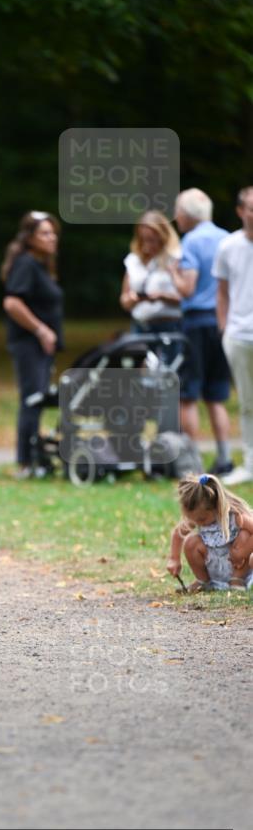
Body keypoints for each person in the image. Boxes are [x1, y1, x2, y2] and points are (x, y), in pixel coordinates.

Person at [171, 188, 232, 474]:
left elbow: (187, 288)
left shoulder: (191, 241)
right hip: (223, 322)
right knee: (216, 396)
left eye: (177, 212)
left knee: (188, 395)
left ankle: (192, 464)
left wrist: (173, 272)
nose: (175, 218)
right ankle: (225, 458)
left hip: (195, 324)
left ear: (186, 215)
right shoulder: (227, 238)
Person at [0, 211, 63, 479]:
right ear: (30, 238)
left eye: (53, 233)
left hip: (41, 348)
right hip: (28, 345)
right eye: (45, 233)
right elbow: (12, 302)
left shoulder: (40, 265)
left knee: (37, 400)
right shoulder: (26, 264)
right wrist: (41, 330)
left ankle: (35, 459)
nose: (52, 238)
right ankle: (25, 462)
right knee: (32, 400)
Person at [213, 186, 253, 486]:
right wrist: (224, 328)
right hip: (239, 335)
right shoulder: (228, 246)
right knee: (247, 402)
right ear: (241, 211)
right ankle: (251, 463)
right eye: (251, 208)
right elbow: (222, 292)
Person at [166, 473, 253, 591]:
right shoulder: (197, 517)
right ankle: (203, 581)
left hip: (238, 564)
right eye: (193, 519)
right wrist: (174, 559)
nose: (198, 523)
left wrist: (241, 552)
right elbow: (178, 534)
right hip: (214, 565)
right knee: (191, 542)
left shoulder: (236, 515)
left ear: (216, 507)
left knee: (245, 534)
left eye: (202, 519)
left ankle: (237, 579)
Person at [120, 210, 182, 340]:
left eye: (152, 240)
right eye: (143, 240)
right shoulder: (133, 260)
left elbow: (188, 297)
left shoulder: (176, 258)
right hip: (140, 326)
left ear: (163, 236)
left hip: (171, 326)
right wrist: (131, 299)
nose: (147, 245)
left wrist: (163, 297)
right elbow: (124, 300)